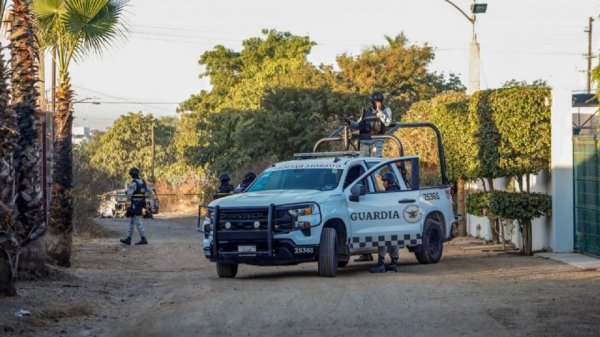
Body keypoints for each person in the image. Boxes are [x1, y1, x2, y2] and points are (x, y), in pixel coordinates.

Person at [369, 172, 401, 273]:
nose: (383, 183)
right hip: (395, 222)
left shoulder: (388, 194)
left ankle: (381, 264)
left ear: (389, 182)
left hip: (387, 221)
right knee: (393, 240)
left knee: (382, 240)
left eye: (384, 181)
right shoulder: (397, 191)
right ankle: (394, 263)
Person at [345, 92, 393, 157]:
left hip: (376, 141)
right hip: (364, 142)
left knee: (375, 163)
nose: (371, 103)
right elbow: (358, 125)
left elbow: (387, 123)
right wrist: (349, 122)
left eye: (373, 101)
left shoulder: (386, 110)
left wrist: (379, 111)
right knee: (363, 163)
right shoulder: (367, 111)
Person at [120, 167, 149, 245]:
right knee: (131, 222)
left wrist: (126, 191)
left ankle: (143, 238)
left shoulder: (133, 183)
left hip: (135, 205)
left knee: (138, 222)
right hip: (140, 204)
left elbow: (129, 195)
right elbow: (147, 193)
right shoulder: (143, 182)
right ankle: (128, 239)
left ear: (132, 175)